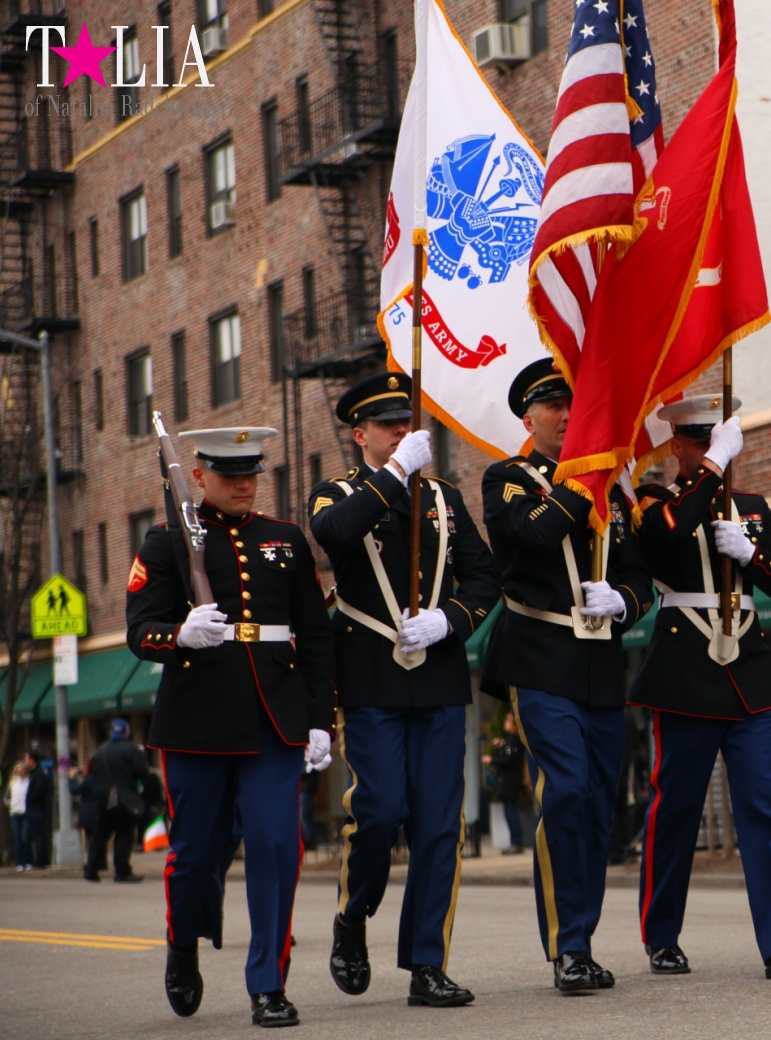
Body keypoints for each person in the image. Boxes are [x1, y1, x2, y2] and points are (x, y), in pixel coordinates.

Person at [126, 426, 335, 1027]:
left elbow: (315, 638)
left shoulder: (285, 540)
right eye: (228, 473)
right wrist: (179, 635)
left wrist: (321, 721)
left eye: (252, 472)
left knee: (276, 846)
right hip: (197, 719)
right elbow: (141, 630)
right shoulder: (165, 542)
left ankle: (268, 982)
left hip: (273, 718)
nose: (244, 483)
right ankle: (183, 940)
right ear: (198, 477)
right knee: (194, 855)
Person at [310, 372, 501, 1008]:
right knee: (381, 809)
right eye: (387, 425)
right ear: (360, 434)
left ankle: (427, 964)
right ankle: (352, 915)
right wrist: (393, 474)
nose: (401, 431)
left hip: (439, 674)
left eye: (406, 423)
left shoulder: (445, 497)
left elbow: (483, 575)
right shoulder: (335, 492)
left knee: (441, 826)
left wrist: (451, 619)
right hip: (370, 677)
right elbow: (336, 534)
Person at [630, 397, 771, 979]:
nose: (708, 449)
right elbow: (667, 539)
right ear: (677, 446)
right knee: (677, 811)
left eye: (714, 440)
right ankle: (661, 934)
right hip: (686, 672)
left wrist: (752, 552)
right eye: (697, 441)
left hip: (748, 670)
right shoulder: (656, 499)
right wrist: (712, 469)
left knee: (766, 807)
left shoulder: (753, 507)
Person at [480, 358, 654, 994]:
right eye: (553, 406)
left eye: (573, 404)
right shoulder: (508, 479)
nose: (565, 414)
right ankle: (568, 947)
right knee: (568, 791)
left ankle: (582, 935)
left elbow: (639, 576)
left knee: (598, 806)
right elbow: (533, 534)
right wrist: (586, 476)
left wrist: (625, 601)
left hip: (600, 663)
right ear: (529, 418)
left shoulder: (612, 483)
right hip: (538, 657)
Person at [84, 718, 151, 883]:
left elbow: (91, 775)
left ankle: (91, 868)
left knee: (100, 834)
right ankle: (122, 871)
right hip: (124, 798)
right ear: (127, 732)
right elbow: (143, 773)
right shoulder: (131, 750)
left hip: (102, 799)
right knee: (124, 834)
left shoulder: (99, 751)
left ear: (110, 732)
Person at [489, 712, 534, 854]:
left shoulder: (515, 740)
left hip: (510, 782)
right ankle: (514, 841)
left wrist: (492, 760)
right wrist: (500, 745)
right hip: (505, 782)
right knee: (508, 812)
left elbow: (509, 759)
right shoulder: (509, 740)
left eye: (507, 722)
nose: (505, 725)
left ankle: (517, 842)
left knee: (511, 812)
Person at [22, 749, 51, 869]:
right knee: (28, 837)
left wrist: (30, 799)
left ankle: (41, 861)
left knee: (38, 836)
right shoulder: (34, 773)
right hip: (31, 809)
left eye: (26, 759)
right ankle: (31, 861)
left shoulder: (39, 773)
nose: (25, 761)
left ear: (32, 760)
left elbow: (40, 790)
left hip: (36, 810)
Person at [7, 761, 31, 871]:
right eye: (18, 770)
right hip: (14, 813)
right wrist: (11, 804)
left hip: (25, 813)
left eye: (22, 770)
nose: (20, 772)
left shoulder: (28, 782)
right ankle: (20, 862)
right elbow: (6, 798)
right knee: (18, 839)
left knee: (25, 837)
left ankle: (28, 861)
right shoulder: (12, 783)